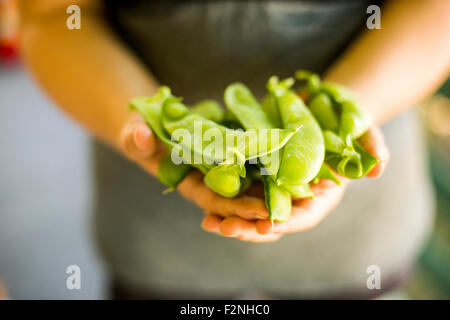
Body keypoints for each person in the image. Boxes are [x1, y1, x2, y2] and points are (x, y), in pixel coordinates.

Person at [19, 0, 450, 299]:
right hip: (158, 245)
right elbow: (53, 15)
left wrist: (350, 105)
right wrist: (137, 122)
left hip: (357, 241)